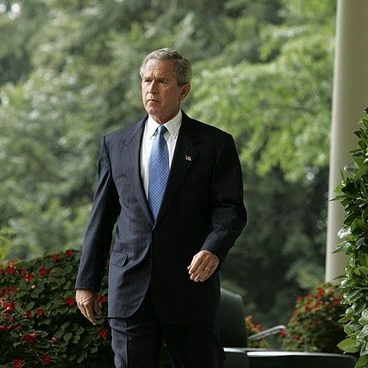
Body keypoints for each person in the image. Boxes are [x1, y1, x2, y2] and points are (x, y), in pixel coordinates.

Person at [75, 48, 247, 368]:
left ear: (183, 90)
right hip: (130, 292)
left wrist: (213, 249)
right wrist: (86, 281)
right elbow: (101, 218)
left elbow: (231, 209)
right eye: (146, 80)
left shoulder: (214, 145)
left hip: (189, 291)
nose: (151, 88)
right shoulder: (115, 144)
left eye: (162, 81)